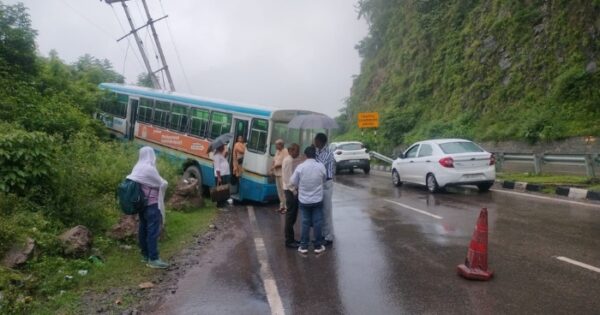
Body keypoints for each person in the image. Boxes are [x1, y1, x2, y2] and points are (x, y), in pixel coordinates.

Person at [126, 146, 169, 269]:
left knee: (143, 229)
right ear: (151, 155)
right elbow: (161, 183)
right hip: (152, 205)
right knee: (152, 232)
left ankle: (145, 255)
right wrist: (164, 181)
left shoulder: (137, 167)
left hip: (142, 205)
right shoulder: (149, 169)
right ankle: (153, 258)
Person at [290, 146, 327, 254]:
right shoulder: (321, 166)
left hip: (304, 200)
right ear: (315, 155)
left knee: (305, 222)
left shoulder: (300, 167)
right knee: (317, 222)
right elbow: (324, 179)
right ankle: (318, 246)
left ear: (305, 155)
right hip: (317, 200)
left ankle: (304, 246)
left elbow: (293, 181)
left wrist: (301, 185)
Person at [314, 133, 335, 245]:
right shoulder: (318, 151)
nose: (314, 142)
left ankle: (329, 237)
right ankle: (322, 234)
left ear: (320, 141)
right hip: (320, 183)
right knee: (320, 210)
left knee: (326, 210)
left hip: (326, 183)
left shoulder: (327, 153)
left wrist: (311, 157)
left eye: (315, 140)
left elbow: (319, 165)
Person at [281, 143, 304, 248]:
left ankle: (291, 239)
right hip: (290, 191)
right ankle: (289, 240)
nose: (298, 153)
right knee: (291, 216)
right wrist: (294, 191)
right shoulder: (289, 160)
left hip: (291, 190)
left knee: (293, 216)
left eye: (298, 150)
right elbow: (287, 179)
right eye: (296, 151)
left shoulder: (290, 159)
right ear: (290, 151)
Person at [271, 139, 288, 212]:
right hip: (276, 173)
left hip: (282, 174)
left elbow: (284, 163)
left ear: (281, 145)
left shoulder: (285, 151)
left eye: (277, 144)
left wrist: (276, 166)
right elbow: (274, 160)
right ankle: (281, 206)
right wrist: (272, 169)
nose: (275, 146)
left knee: (284, 191)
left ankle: (286, 207)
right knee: (279, 191)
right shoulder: (277, 151)